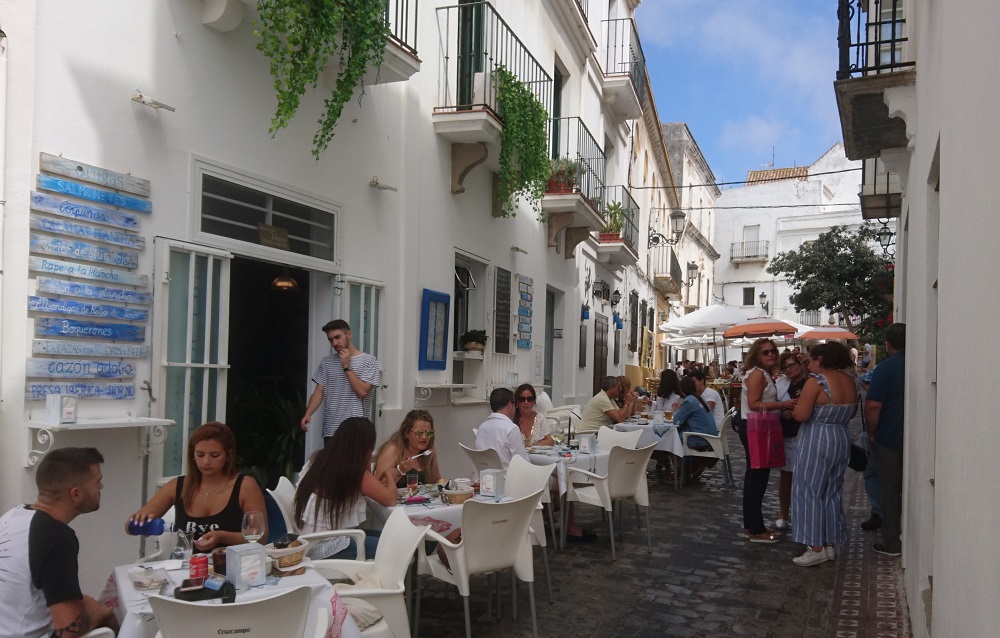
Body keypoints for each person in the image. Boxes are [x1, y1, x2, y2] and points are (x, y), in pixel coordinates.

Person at [0, 447, 119, 638]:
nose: (101, 487)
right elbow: (68, 630)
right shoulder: (56, 536)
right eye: (97, 482)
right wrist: (100, 613)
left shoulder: (14, 515)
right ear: (76, 494)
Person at [128, 421, 267, 550]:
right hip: (189, 567)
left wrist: (223, 536)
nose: (206, 461)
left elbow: (261, 536)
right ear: (192, 455)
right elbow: (129, 527)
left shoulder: (245, 486)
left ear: (228, 455)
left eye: (214, 455)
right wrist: (141, 523)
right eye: (200, 455)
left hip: (233, 566)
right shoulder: (177, 486)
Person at [789, 342, 857, 566]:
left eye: (810, 360)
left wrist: (793, 408)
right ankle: (829, 543)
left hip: (817, 438)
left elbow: (801, 415)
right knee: (832, 491)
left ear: (820, 359)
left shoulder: (816, 382)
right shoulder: (849, 381)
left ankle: (815, 546)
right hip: (840, 437)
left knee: (809, 490)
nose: (808, 364)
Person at [295, 417, 397, 559]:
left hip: (308, 542)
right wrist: (390, 474)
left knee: (389, 538)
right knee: (397, 546)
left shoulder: (318, 460)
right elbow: (390, 499)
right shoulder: (355, 472)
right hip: (329, 547)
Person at [738, 339, 797, 543]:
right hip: (756, 427)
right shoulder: (758, 374)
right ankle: (756, 529)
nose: (771, 355)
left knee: (755, 477)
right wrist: (782, 404)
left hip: (755, 426)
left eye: (773, 351)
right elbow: (754, 404)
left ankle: (751, 524)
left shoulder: (763, 373)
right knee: (757, 478)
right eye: (765, 352)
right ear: (756, 355)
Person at [301, 319, 381, 440]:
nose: (335, 343)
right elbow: (319, 392)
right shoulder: (326, 362)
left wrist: (346, 366)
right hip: (331, 430)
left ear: (349, 334)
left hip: (356, 430)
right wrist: (308, 413)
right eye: (331, 340)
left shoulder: (369, 361)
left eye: (337, 337)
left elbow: (362, 392)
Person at [865, 323, 906, 557]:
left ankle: (892, 542)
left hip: (889, 438)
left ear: (888, 344)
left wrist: (872, 433)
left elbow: (872, 406)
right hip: (907, 436)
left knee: (889, 489)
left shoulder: (886, 368)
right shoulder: (915, 363)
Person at [773, 352, 809, 531]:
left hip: (805, 433)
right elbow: (774, 404)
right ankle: (783, 513)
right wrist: (782, 411)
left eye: (792, 365)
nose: (788, 370)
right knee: (786, 476)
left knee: (805, 478)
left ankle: (802, 515)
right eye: (785, 367)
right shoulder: (781, 384)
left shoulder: (810, 382)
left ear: (800, 364)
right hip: (787, 433)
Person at [374, 409, 443, 488]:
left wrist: (447, 484)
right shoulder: (392, 450)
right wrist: (400, 471)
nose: (424, 437)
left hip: (422, 499)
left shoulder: (428, 451)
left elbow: (436, 479)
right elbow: (378, 487)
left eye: (429, 433)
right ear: (406, 432)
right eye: (419, 433)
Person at [673, 376, 720, 480]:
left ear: (681, 389)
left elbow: (676, 421)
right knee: (679, 433)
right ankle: (687, 469)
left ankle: (680, 472)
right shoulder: (699, 398)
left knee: (673, 438)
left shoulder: (689, 401)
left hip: (700, 439)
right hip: (710, 437)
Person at [474, 387, 528, 469]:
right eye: (515, 405)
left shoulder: (482, 427)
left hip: (485, 477)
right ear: (510, 405)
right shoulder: (511, 428)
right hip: (508, 478)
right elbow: (523, 462)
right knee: (551, 478)